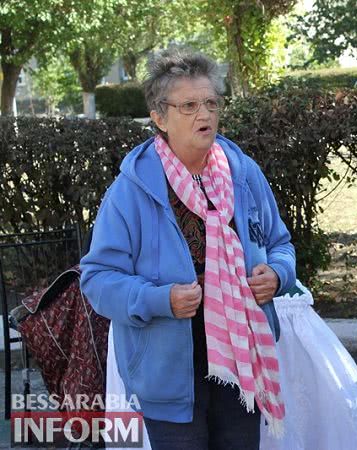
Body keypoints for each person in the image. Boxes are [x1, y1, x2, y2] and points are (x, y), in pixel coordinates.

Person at [80, 50, 296, 450]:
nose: (206, 114)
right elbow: (97, 280)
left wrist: (278, 274)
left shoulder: (242, 172)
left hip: (241, 360)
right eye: (190, 105)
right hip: (169, 368)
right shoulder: (132, 190)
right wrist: (160, 299)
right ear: (159, 118)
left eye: (212, 103)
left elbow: (279, 244)